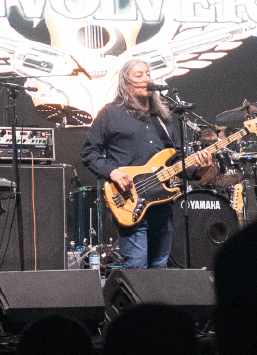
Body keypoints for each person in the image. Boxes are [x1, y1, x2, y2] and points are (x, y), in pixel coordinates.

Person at [81, 58, 212, 268]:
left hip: (162, 203)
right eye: (139, 75)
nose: (146, 79)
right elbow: (89, 152)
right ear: (125, 81)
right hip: (129, 198)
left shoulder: (163, 117)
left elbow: (177, 158)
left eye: (148, 74)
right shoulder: (110, 113)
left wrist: (199, 169)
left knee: (159, 265)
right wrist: (112, 172)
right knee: (137, 265)